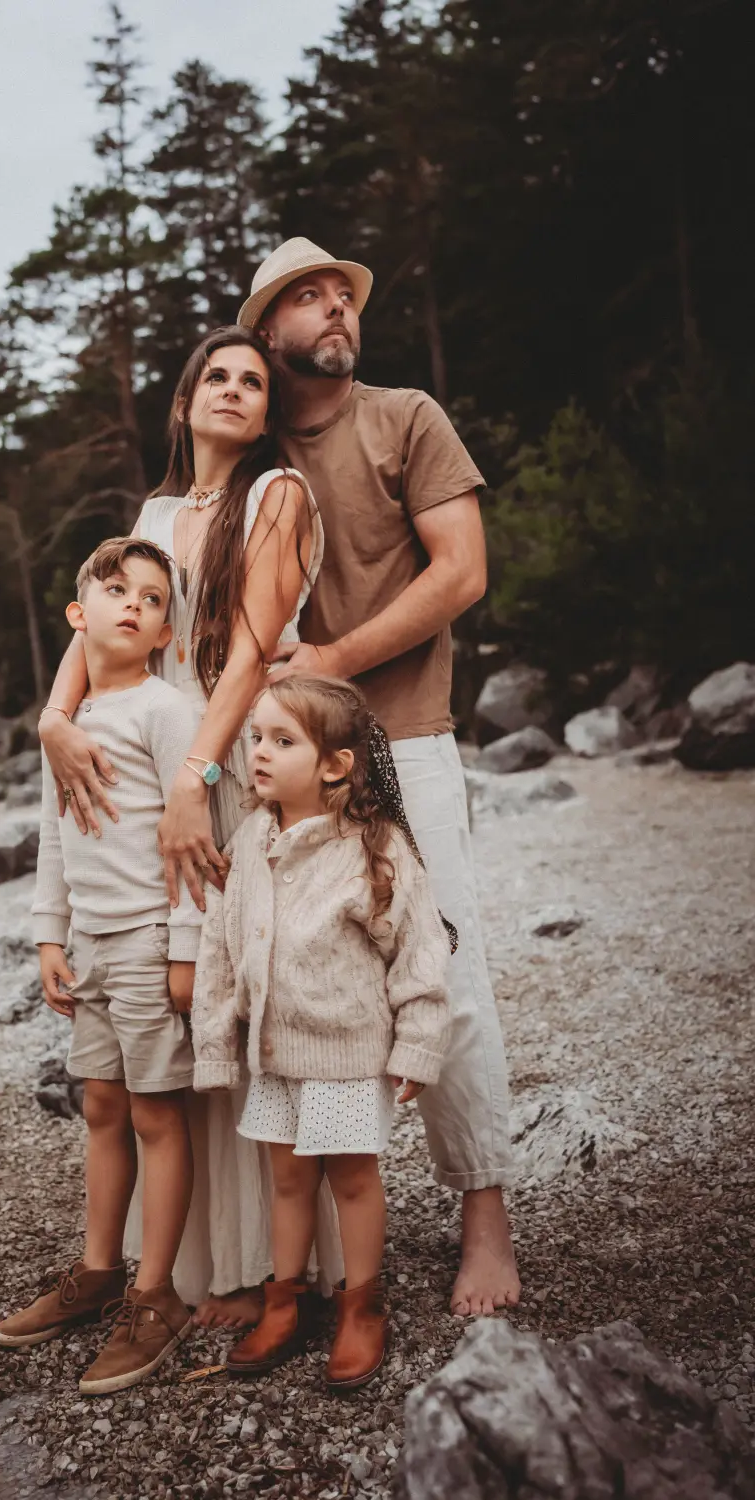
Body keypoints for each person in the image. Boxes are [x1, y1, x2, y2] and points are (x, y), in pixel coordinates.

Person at [238, 237, 521, 1317]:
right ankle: (304, 1251)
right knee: (291, 987)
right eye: (306, 299)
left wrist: (330, 665)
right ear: (270, 334)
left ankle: (482, 1222)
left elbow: (464, 570)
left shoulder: (405, 418)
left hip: (406, 737)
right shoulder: (252, 454)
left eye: (340, 295)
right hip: (279, 766)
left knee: (444, 973)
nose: (334, 311)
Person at [37, 325, 341, 1325]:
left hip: (234, 757)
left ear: (267, 409)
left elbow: (251, 651)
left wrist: (196, 775)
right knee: (182, 1018)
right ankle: (198, 1265)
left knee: (241, 999)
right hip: (161, 756)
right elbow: (101, 626)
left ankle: (273, 1263)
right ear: (185, 398)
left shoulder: (276, 495)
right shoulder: (157, 511)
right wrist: (51, 716)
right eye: (215, 375)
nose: (233, 390)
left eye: (253, 381)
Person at [192, 675, 452, 1390]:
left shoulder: (373, 845)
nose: (261, 755)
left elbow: (421, 953)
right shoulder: (250, 840)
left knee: (354, 1180)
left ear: (335, 763)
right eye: (256, 740)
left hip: (346, 1053)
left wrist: (418, 1044)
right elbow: (221, 945)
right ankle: (286, 1300)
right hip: (273, 1055)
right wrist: (217, 1043)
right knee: (288, 1180)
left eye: (283, 741)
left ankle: (361, 1306)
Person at [0, 537, 202, 1394]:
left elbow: (196, 842)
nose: (133, 605)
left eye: (152, 600)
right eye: (116, 591)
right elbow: (55, 834)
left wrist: (185, 945)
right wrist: (49, 937)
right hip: (90, 947)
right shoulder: (67, 725)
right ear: (80, 617)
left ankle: (158, 1296)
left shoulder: (167, 710)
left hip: (150, 939)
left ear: (162, 631)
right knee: (102, 1108)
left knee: (157, 1115)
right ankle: (97, 1269)